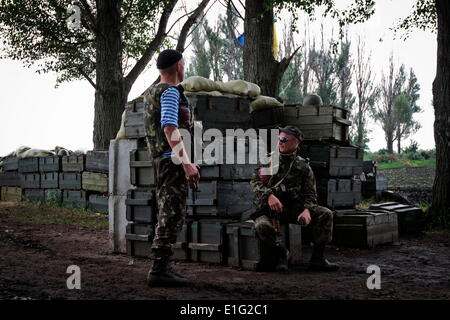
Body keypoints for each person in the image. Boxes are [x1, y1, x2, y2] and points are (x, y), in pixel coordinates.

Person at [143, 49, 200, 286]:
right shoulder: (169, 92)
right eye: (183, 63)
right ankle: (159, 269)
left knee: (170, 211)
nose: (184, 67)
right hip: (170, 160)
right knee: (171, 213)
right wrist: (186, 163)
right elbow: (169, 127)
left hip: (163, 159)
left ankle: (163, 266)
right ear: (178, 66)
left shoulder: (151, 92)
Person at [250, 125, 339, 272]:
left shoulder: (303, 167)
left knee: (326, 214)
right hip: (270, 209)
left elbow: (311, 194)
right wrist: (269, 196)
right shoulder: (269, 161)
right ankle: (282, 254)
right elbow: (255, 183)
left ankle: (318, 259)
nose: (280, 142)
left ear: (296, 143)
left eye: (284, 139)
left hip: (294, 209)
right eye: (279, 138)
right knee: (262, 226)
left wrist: (307, 210)